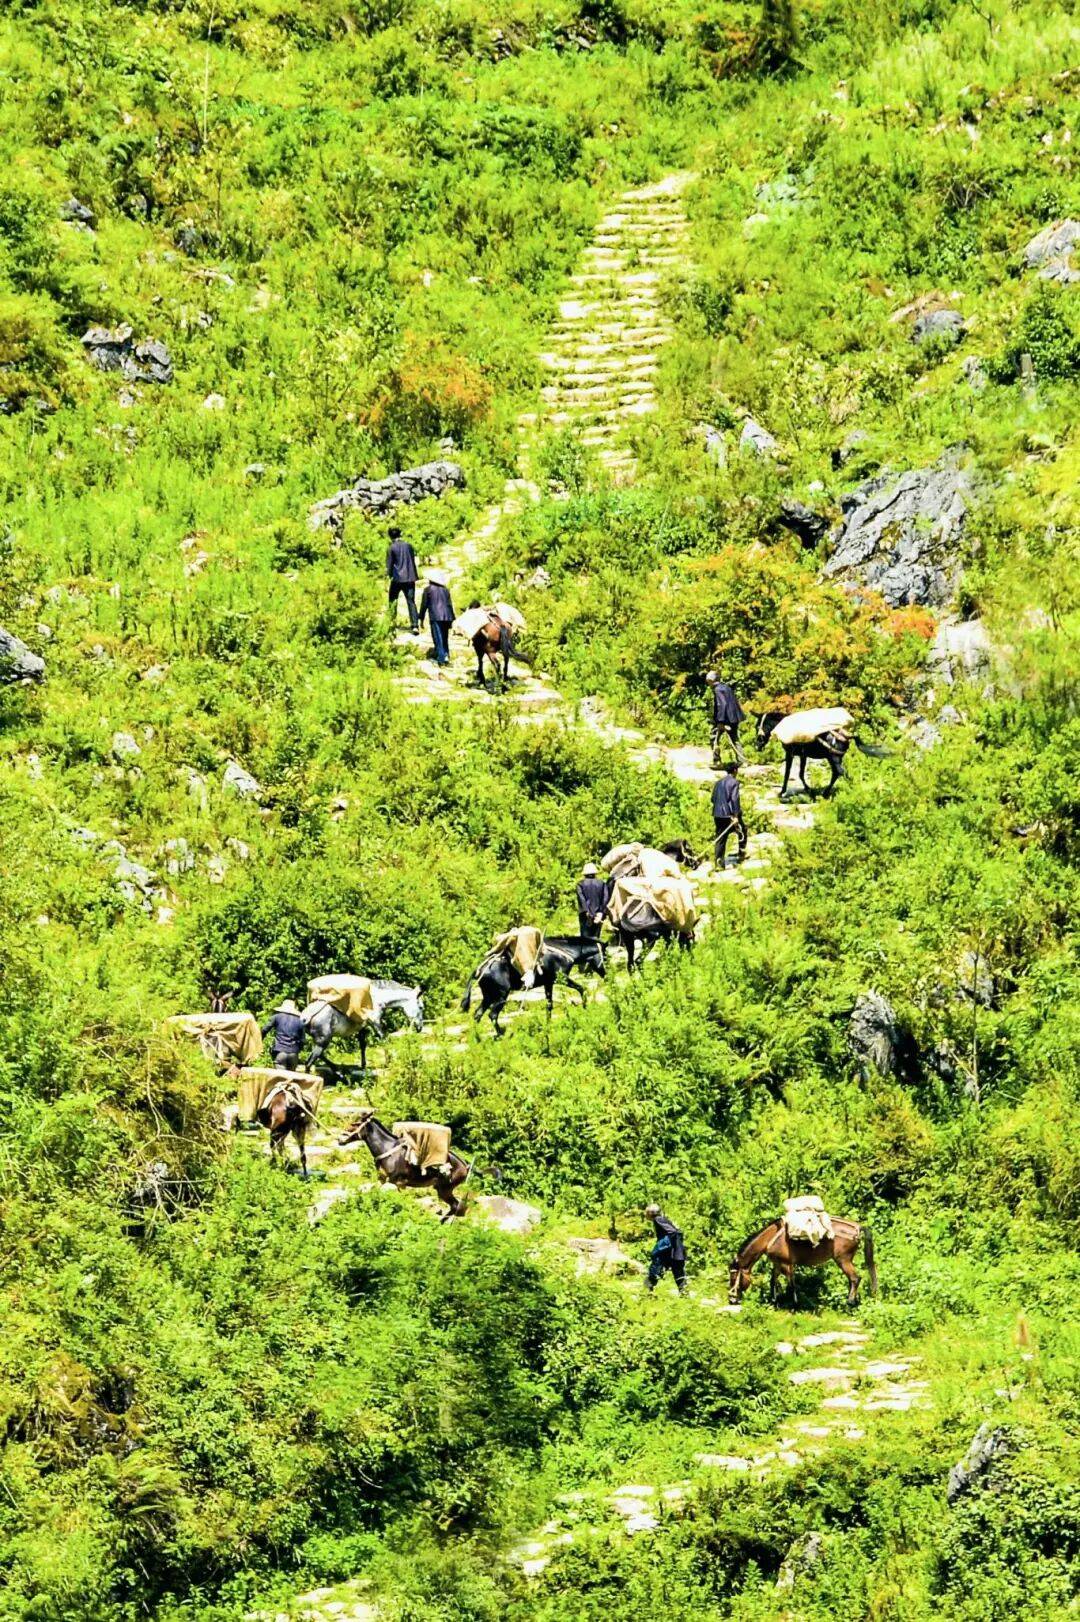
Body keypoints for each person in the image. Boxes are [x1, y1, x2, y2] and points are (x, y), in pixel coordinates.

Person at [645, 1203, 687, 1295]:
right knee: (679, 1274)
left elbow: (673, 1232)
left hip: (668, 1252)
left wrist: (659, 1248)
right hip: (676, 1251)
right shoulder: (664, 1219)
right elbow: (677, 1232)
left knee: (655, 1270)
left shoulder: (658, 1219)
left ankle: (647, 1292)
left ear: (650, 1213)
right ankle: (684, 1294)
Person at [706, 670, 746, 766]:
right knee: (734, 738)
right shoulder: (726, 687)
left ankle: (717, 761)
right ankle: (742, 761)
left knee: (714, 738)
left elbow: (722, 705)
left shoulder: (718, 689)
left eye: (708, 682)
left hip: (724, 719)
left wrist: (720, 721)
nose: (708, 684)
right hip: (734, 718)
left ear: (711, 680)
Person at [712, 761, 747, 867]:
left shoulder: (718, 782)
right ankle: (741, 852)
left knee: (720, 839)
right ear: (735, 770)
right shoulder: (734, 782)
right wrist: (735, 816)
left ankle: (719, 863)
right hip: (729, 815)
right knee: (743, 830)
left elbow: (713, 798)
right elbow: (734, 799)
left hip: (717, 814)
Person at [419, 568, 456, 666]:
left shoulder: (428, 590)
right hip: (447, 616)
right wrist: (452, 619)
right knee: (445, 637)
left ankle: (441, 658)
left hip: (435, 616)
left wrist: (421, 618)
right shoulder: (446, 590)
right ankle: (446, 655)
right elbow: (450, 604)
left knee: (437, 637)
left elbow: (424, 605)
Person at [386, 526, 419, 632]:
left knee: (393, 600)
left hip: (397, 579)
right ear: (400, 534)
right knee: (411, 601)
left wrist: (388, 576)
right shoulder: (409, 546)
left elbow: (389, 565)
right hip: (410, 577)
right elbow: (412, 559)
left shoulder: (391, 548)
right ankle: (414, 625)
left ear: (390, 536)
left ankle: (392, 622)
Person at [261, 999, 306, 1071]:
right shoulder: (300, 1022)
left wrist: (260, 1041)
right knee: (290, 1079)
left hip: (280, 1052)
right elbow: (303, 1041)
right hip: (294, 1055)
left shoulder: (276, 1017)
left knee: (281, 1079)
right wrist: (297, 1050)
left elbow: (264, 1030)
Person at [575, 862, 611, 939]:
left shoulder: (580, 884)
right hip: (598, 916)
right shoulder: (602, 883)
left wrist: (587, 912)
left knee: (585, 939)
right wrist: (601, 912)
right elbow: (606, 898)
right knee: (596, 937)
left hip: (585, 916)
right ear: (595, 873)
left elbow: (581, 899)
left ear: (584, 873)